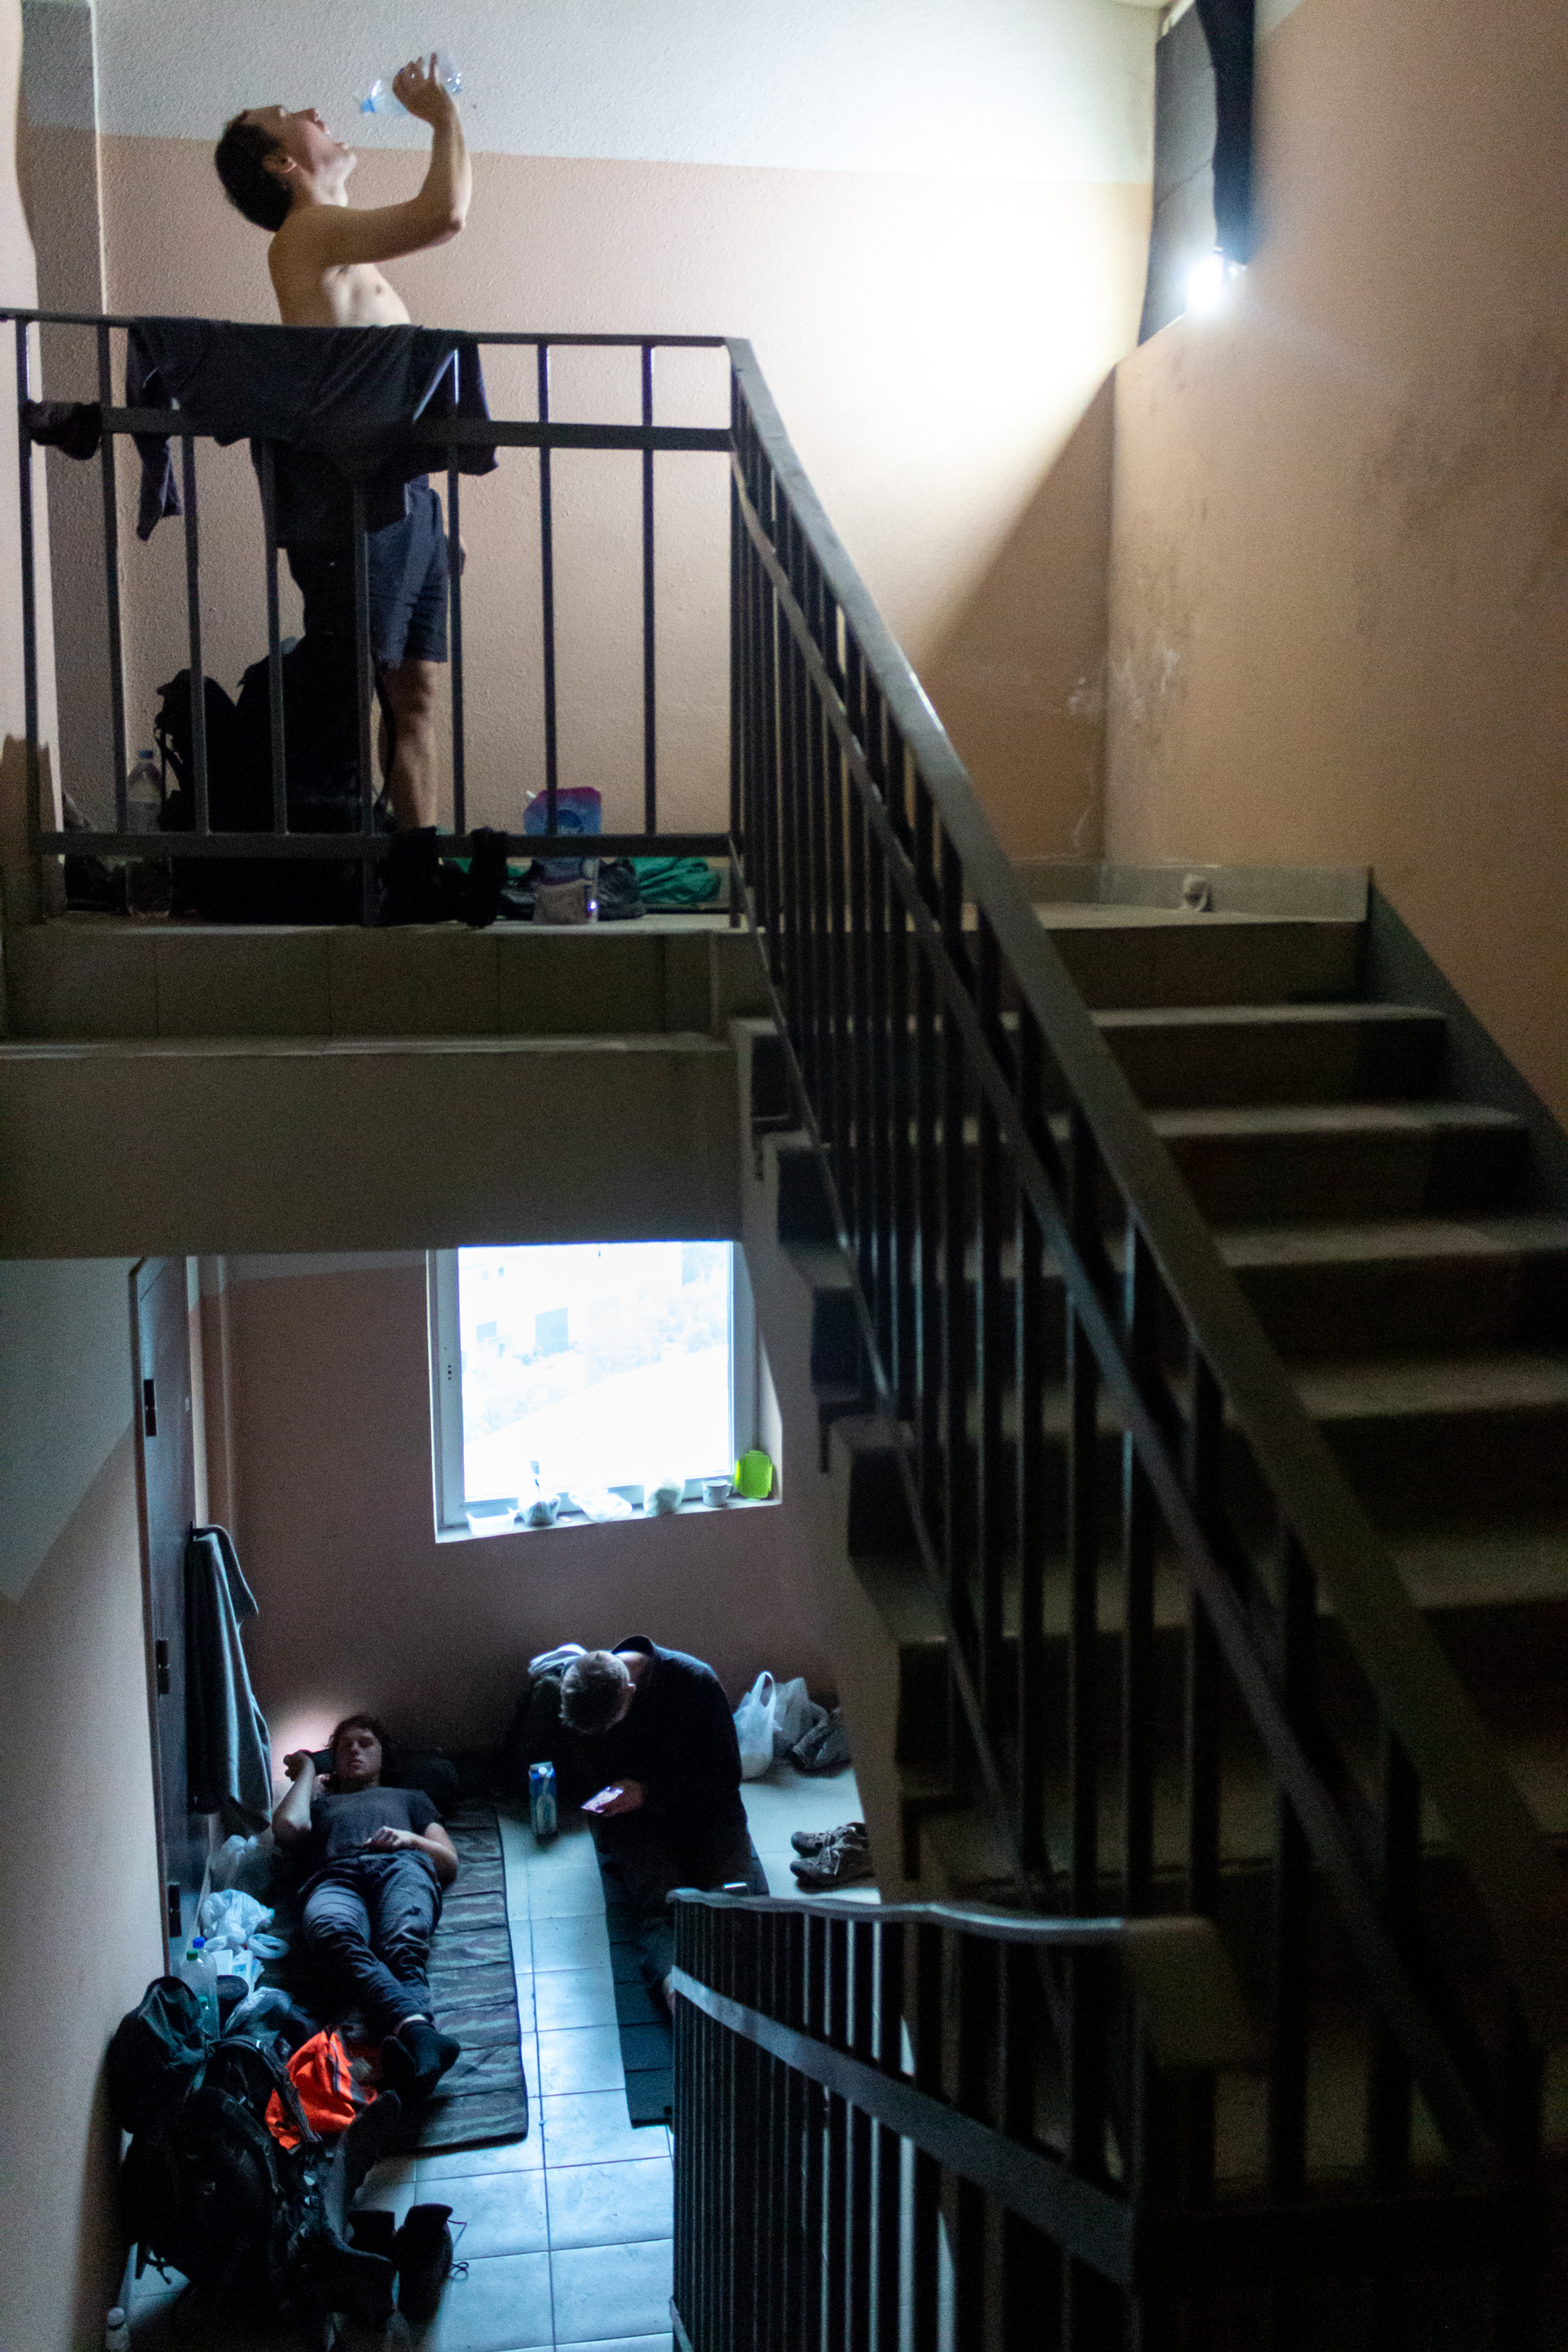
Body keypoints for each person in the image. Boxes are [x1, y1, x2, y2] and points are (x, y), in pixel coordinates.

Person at [211, 60, 472, 833]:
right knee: (360, 687)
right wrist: (440, 112)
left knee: (414, 697)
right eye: (290, 109)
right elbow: (446, 214)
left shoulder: (334, 237)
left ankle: (417, 873)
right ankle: (354, 877)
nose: (318, 109)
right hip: (360, 499)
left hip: (405, 495)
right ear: (282, 162)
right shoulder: (305, 232)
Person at [550, 1640, 762, 2005]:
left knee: (732, 1903)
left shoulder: (696, 1683)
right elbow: (591, 1774)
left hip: (708, 1810)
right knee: (661, 1904)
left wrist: (648, 1792)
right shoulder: (590, 1699)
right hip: (635, 1821)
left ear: (629, 1689)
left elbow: (724, 1778)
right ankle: (676, 1996)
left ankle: (742, 2004)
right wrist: (606, 1799)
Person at [272, 1711, 462, 2099]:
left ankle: (412, 2049)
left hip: (401, 1866)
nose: (355, 1751)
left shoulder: (409, 1798)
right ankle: (421, 2037)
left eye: (365, 1743)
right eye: (344, 1747)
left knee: (401, 1943)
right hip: (334, 1876)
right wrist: (309, 1767)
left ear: (383, 1756)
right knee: (330, 1933)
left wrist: (409, 1840)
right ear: (333, 1759)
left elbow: (448, 1860)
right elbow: (289, 1828)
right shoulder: (320, 1805)